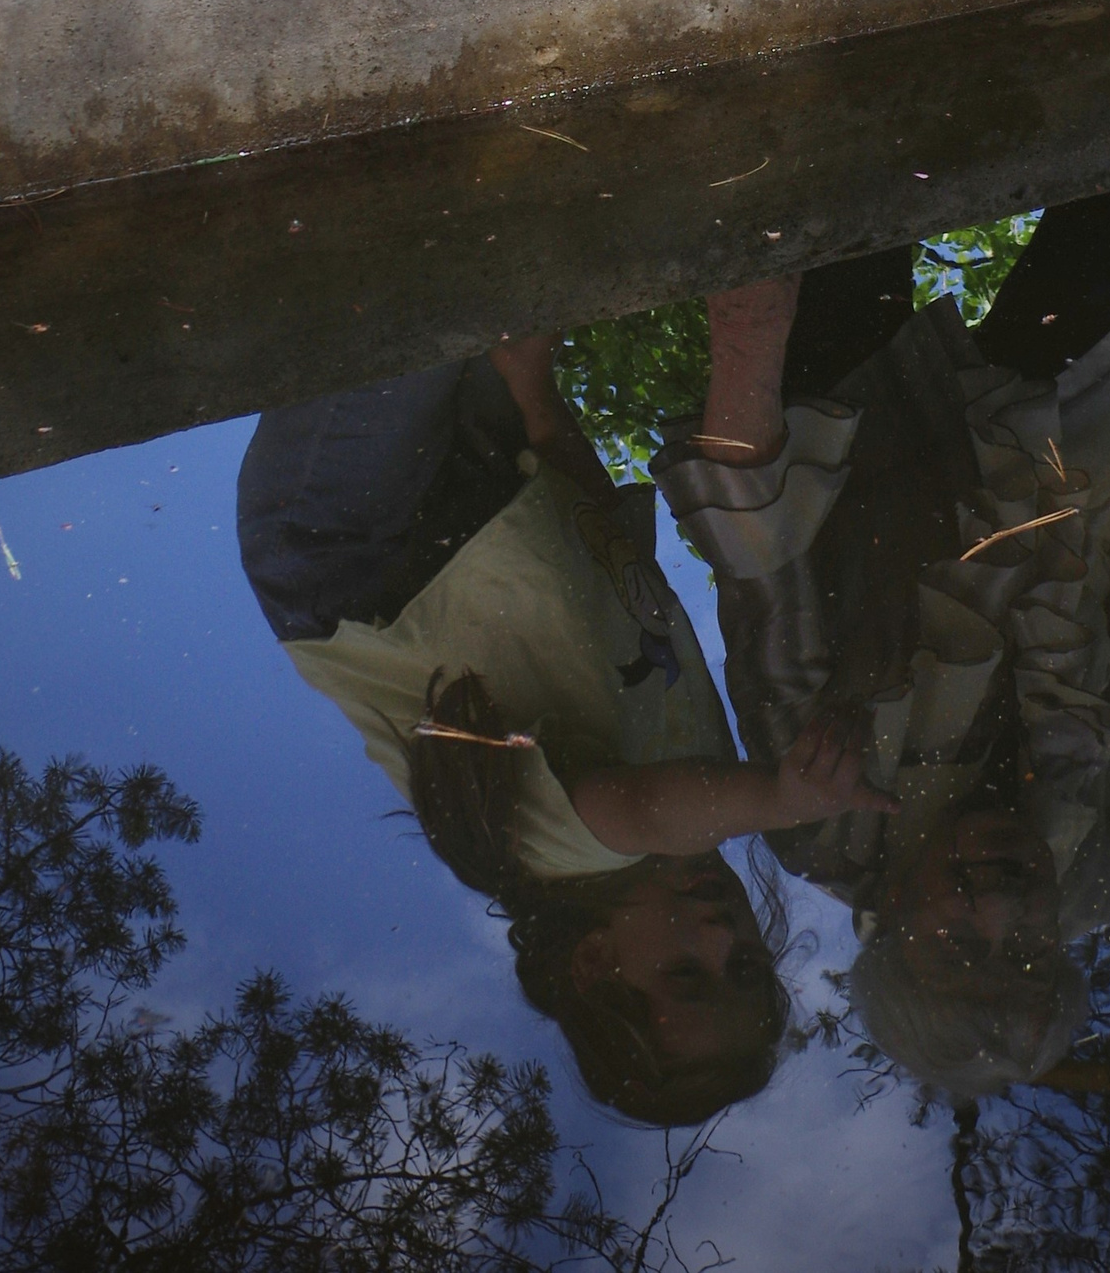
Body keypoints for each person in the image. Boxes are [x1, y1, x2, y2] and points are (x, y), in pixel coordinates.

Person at [238, 335, 886, 1123]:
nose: (723, 935)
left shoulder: (550, 852)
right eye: (747, 965)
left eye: (688, 973)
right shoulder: (702, 770)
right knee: (490, 266)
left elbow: (637, 810)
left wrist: (784, 802)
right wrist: (537, 398)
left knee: (408, 297)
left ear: (593, 961)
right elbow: (602, 541)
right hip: (497, 491)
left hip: (352, 548)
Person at [657, 177, 1110, 1096]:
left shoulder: (825, 826)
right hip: (1051, 467)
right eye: (1029, 942)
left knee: (827, 187)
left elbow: (765, 580)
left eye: (960, 943)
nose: (1001, 902)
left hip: (855, 446)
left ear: (892, 931)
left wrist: (748, 346)